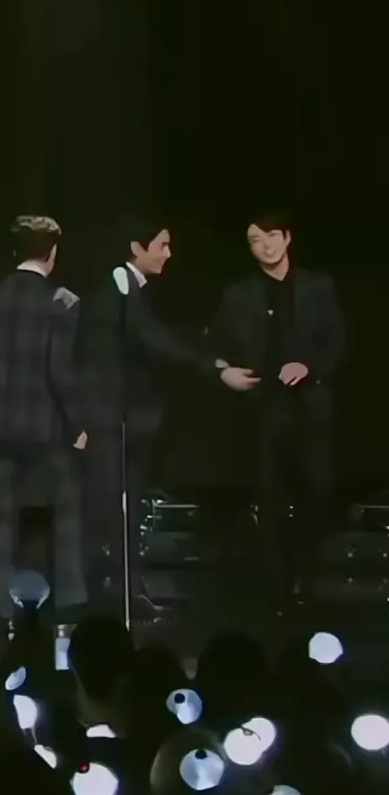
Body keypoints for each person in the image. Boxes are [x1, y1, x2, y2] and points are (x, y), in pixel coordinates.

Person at [77, 212, 238, 616]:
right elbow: (151, 339)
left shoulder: (135, 289)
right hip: (110, 417)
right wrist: (211, 366)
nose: (169, 253)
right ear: (137, 247)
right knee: (108, 508)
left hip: (128, 418)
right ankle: (96, 597)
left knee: (126, 506)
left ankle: (126, 592)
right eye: (162, 245)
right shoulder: (120, 286)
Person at [206, 212, 345, 606]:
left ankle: (304, 572)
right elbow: (214, 344)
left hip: (311, 403)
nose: (265, 245)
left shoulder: (318, 286)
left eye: (271, 236)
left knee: (318, 489)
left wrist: (308, 366)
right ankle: (277, 585)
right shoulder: (239, 294)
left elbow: (337, 339)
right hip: (264, 405)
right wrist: (223, 371)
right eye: (255, 239)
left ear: (286, 238)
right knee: (268, 495)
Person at [0, 216, 87, 631]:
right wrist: (77, 425)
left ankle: (6, 607)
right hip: (44, 425)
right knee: (65, 508)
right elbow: (59, 371)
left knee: (4, 515)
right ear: (53, 252)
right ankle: (68, 604)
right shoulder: (63, 301)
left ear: (15, 251)